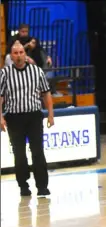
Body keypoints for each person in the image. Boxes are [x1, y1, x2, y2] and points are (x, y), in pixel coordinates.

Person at [0, 42, 54, 197]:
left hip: (34, 116)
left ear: (25, 54)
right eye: (15, 53)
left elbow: (46, 93)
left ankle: (42, 186)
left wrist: (50, 114)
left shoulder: (37, 71)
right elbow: (1, 96)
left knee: (38, 151)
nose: (18, 56)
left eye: (21, 52)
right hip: (14, 117)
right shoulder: (5, 73)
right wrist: (1, 117)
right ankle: (23, 186)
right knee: (19, 154)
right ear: (11, 56)